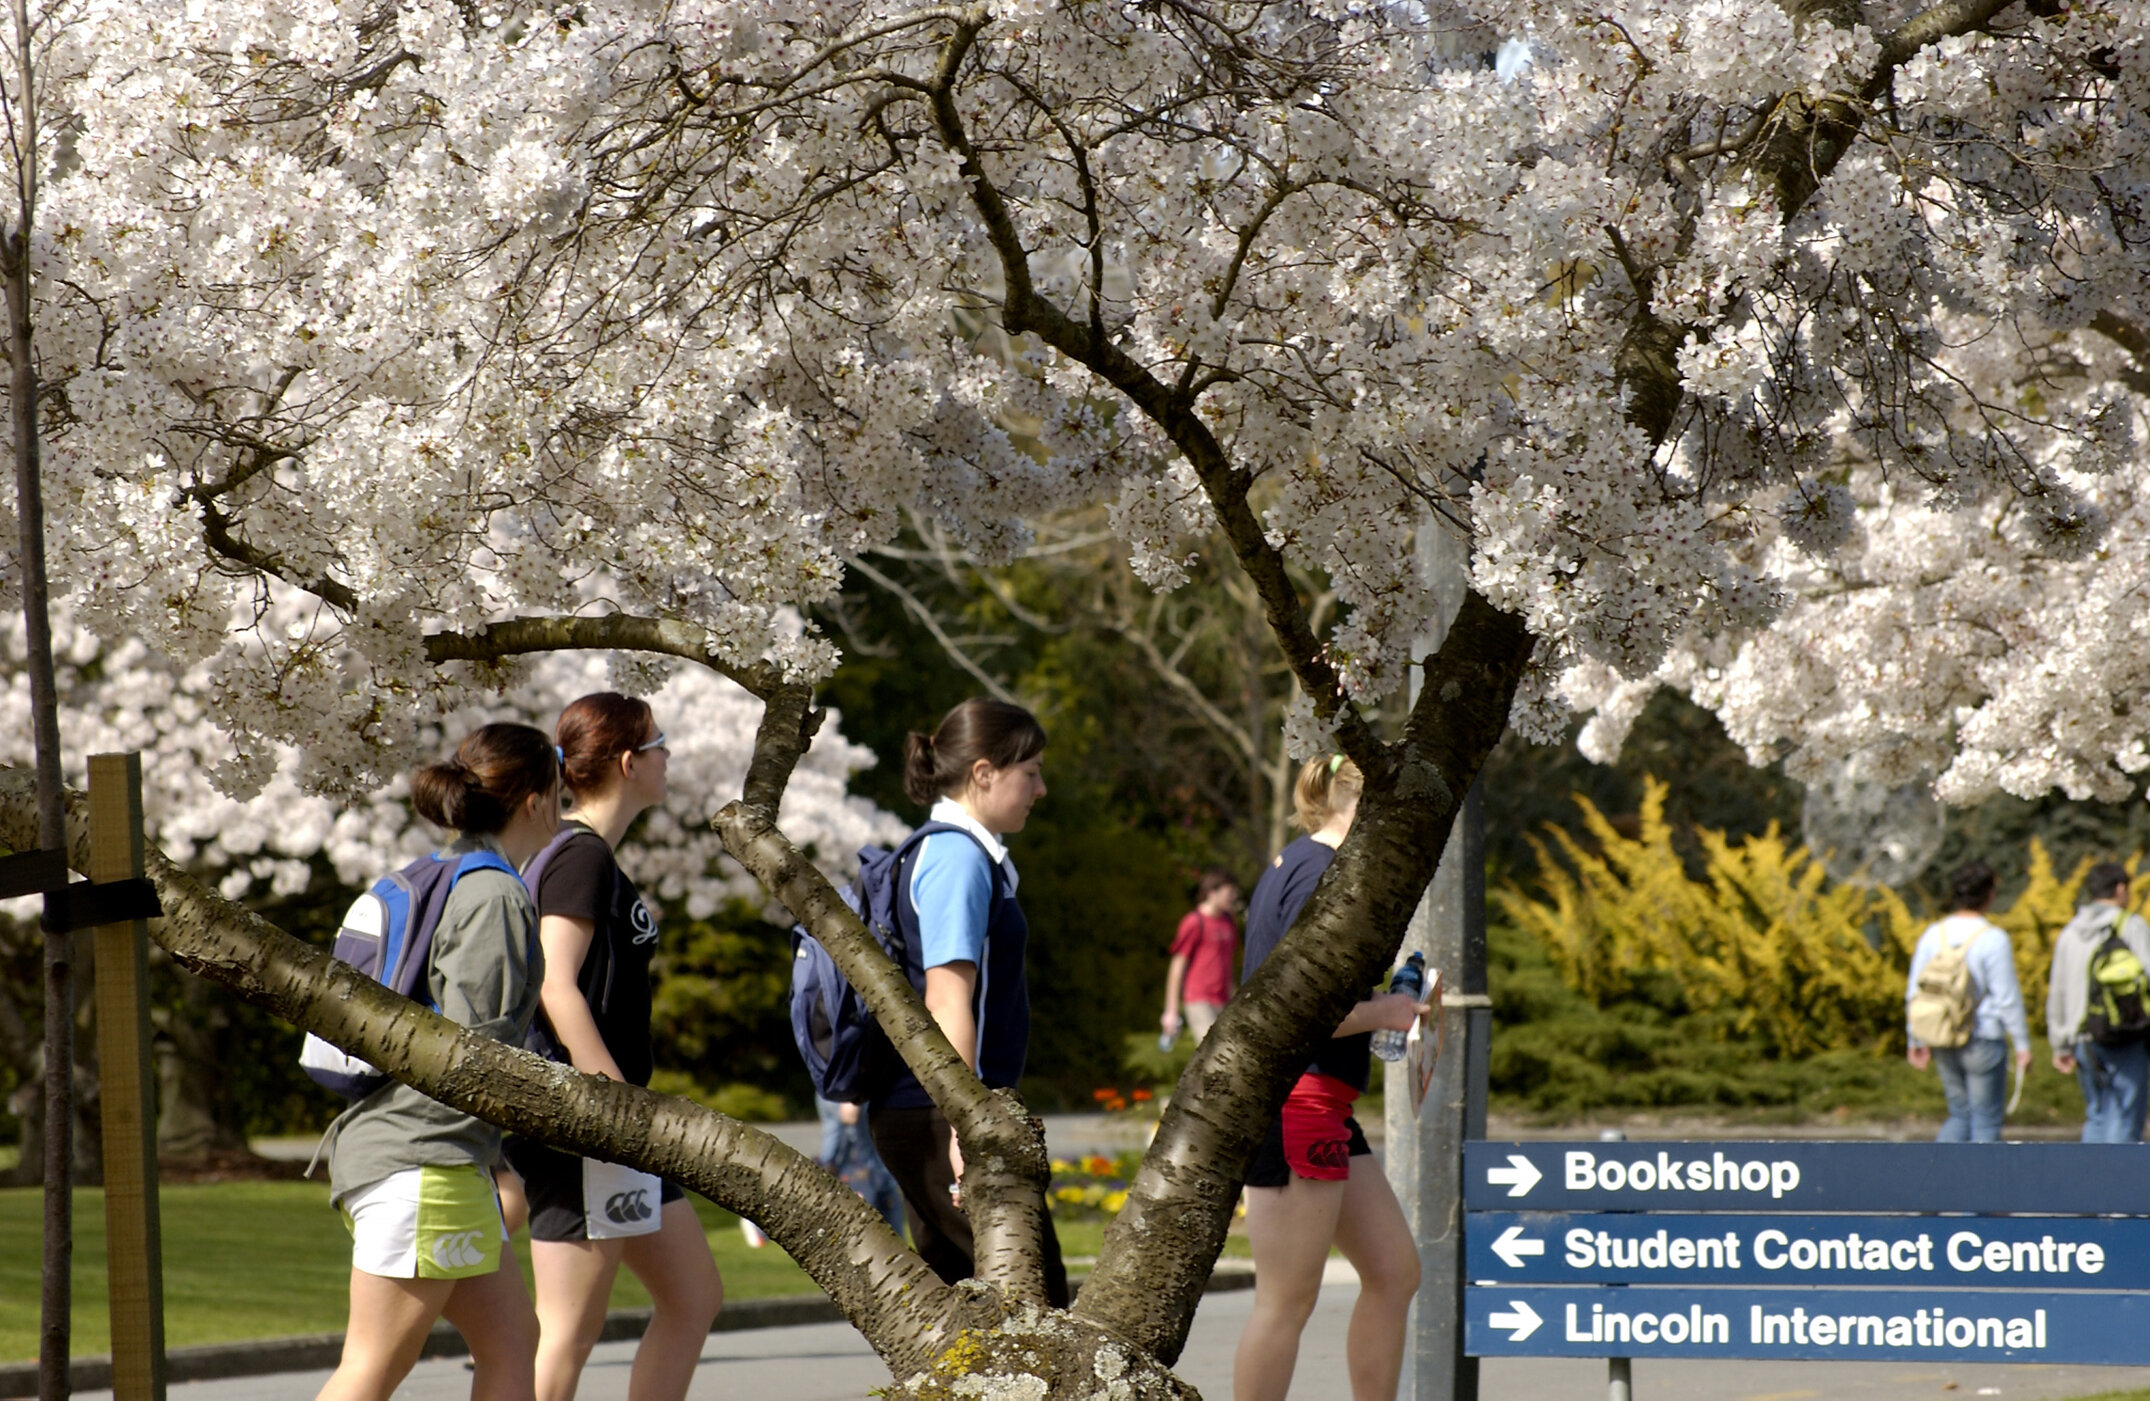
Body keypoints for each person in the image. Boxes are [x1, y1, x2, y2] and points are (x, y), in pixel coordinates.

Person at [316, 723, 558, 1401]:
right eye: (560, 793)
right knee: (374, 1364)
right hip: (426, 1159)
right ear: (536, 802)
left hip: (432, 1156)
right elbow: (479, 1055)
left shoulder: (446, 874)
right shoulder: (495, 894)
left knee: (513, 1344)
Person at [501, 692, 723, 1401]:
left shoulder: (581, 853)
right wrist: (615, 1099)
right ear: (630, 762)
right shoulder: (579, 856)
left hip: (621, 1131)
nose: (668, 757)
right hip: (590, 1123)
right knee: (567, 1329)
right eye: (662, 744)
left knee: (694, 1296)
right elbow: (554, 983)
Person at [1232, 756, 1427, 1401]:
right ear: (1362, 806)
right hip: (1296, 1100)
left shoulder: (1304, 862)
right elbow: (1299, 1007)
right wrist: (1392, 1011)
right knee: (1286, 1300)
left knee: (1395, 1271)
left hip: (1325, 1102)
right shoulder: (1320, 872)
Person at [868, 697, 1069, 1305]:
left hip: (927, 1112)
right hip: (940, 1116)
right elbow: (948, 998)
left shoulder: (959, 851)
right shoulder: (957, 858)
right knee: (1036, 1307)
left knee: (969, 1317)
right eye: (1029, 772)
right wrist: (968, 1125)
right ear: (983, 773)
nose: (1040, 788)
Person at [1905, 861, 2033, 1143]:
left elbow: (1915, 990)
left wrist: (1914, 1039)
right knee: (1986, 1120)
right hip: (1983, 1037)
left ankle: (1940, 1181)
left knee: (1959, 1114)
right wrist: (2022, 1044)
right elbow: (2007, 998)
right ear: (1989, 894)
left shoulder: (1933, 934)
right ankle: (1983, 1186)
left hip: (1941, 1035)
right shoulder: (1993, 939)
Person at [2047, 862, 2150, 1143]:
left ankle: (2088, 1182)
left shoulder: (2069, 933)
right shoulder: (2131, 926)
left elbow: (2057, 989)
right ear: (2120, 888)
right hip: (2126, 1034)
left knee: (2097, 1114)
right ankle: (2118, 1183)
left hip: (2083, 1037)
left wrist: (2059, 1042)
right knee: (2126, 1116)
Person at [1162, 868, 1240, 1045]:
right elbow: (1177, 966)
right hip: (1199, 998)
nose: (1233, 896)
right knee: (1212, 1051)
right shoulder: (1194, 922)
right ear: (1212, 893)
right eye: (1229, 892)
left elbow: (1228, 965)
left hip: (1224, 1000)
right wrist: (1171, 1010)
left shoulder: (1229, 922)